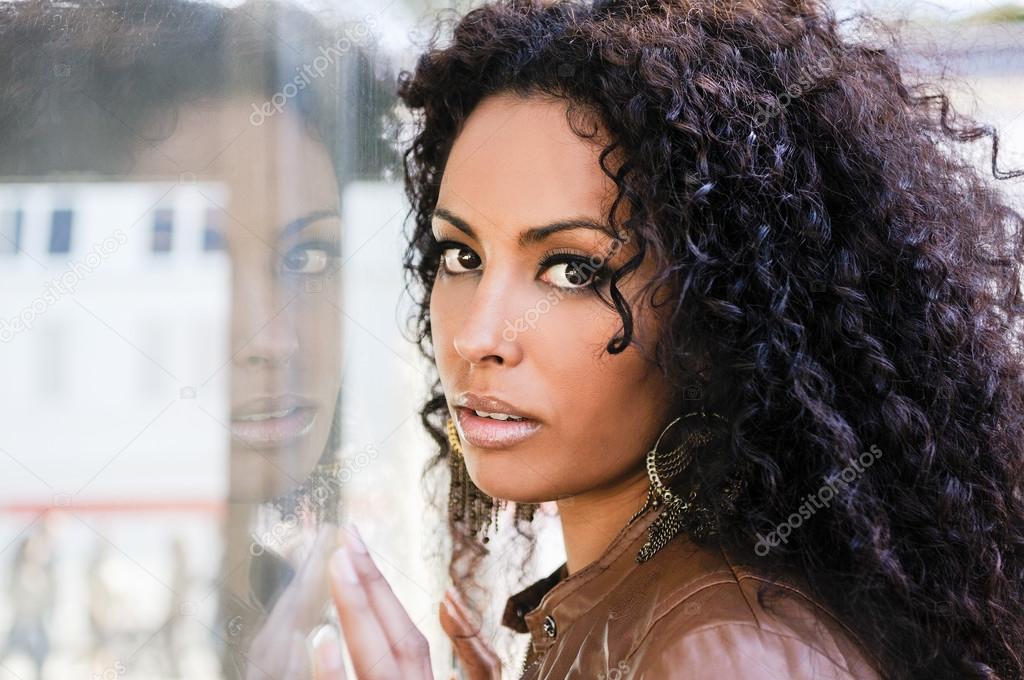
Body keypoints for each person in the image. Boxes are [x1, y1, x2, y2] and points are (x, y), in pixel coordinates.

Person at [318, 0, 1024, 678]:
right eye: (461, 255)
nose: (476, 337)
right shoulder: (658, 611)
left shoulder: (720, 651)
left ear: (720, 309)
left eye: (574, 269)